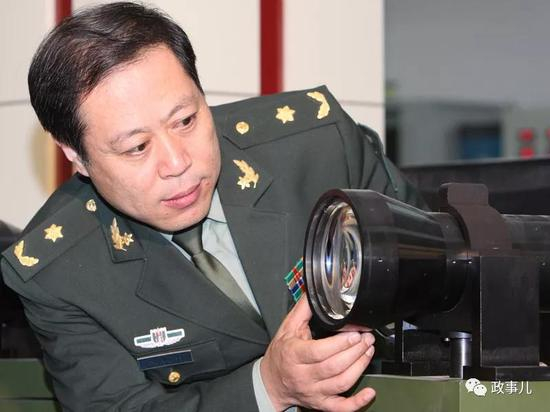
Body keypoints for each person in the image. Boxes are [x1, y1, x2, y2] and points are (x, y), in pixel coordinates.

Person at [1, 2, 425, 411]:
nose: (177, 163)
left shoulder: (318, 146)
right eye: (137, 147)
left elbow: (439, 282)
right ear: (75, 154)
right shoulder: (59, 273)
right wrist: (269, 387)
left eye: (186, 121)